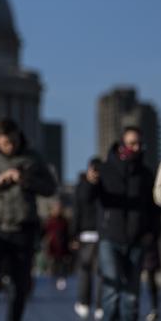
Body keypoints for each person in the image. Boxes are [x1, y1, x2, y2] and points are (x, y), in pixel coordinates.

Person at [0, 118, 57, 321]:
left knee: (20, 284)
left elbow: (50, 187)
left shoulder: (32, 157)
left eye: (14, 142)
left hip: (23, 228)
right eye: (6, 143)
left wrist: (26, 181)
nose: (11, 146)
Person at [88, 126, 159, 321]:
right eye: (131, 143)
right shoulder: (105, 169)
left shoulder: (146, 174)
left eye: (139, 144)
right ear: (121, 145)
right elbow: (87, 199)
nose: (135, 148)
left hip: (137, 240)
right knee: (111, 290)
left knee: (131, 295)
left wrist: (151, 232)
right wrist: (90, 183)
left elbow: (154, 207)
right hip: (110, 238)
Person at [71, 157, 104, 320]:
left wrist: (73, 234)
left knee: (92, 272)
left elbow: (76, 211)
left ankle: (90, 304)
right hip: (90, 234)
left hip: (94, 234)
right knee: (92, 272)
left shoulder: (101, 185)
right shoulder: (85, 187)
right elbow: (78, 210)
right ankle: (93, 305)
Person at [44, 200, 71, 291]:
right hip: (52, 246)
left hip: (63, 246)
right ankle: (52, 278)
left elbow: (68, 233)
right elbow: (44, 232)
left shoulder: (64, 221)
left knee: (62, 264)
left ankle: (61, 279)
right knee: (53, 263)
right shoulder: (49, 221)